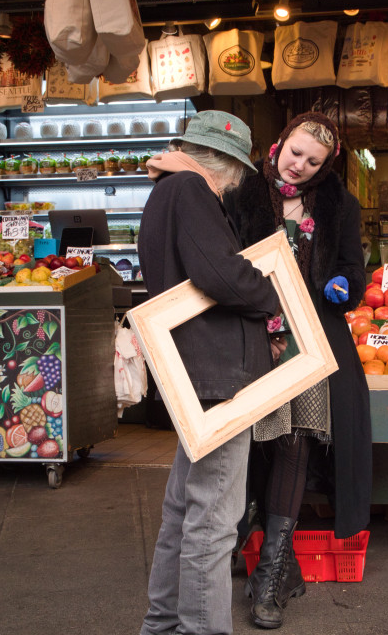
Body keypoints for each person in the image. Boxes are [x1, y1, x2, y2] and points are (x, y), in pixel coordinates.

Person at [137, 110, 285, 635]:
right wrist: (275, 297)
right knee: (213, 521)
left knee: (183, 510)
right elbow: (220, 274)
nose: (236, 188)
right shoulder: (192, 192)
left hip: (192, 374)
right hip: (217, 377)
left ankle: (162, 626)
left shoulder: (164, 194)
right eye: (238, 176)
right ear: (223, 166)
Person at [224, 112, 372, 629]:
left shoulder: (339, 206)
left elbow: (354, 269)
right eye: (295, 153)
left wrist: (344, 287)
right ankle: (247, 558)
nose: (300, 166)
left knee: (294, 444)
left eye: (313, 161)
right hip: (247, 338)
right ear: (280, 141)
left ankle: (269, 577)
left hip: (309, 343)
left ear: (326, 165)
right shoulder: (240, 194)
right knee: (245, 444)